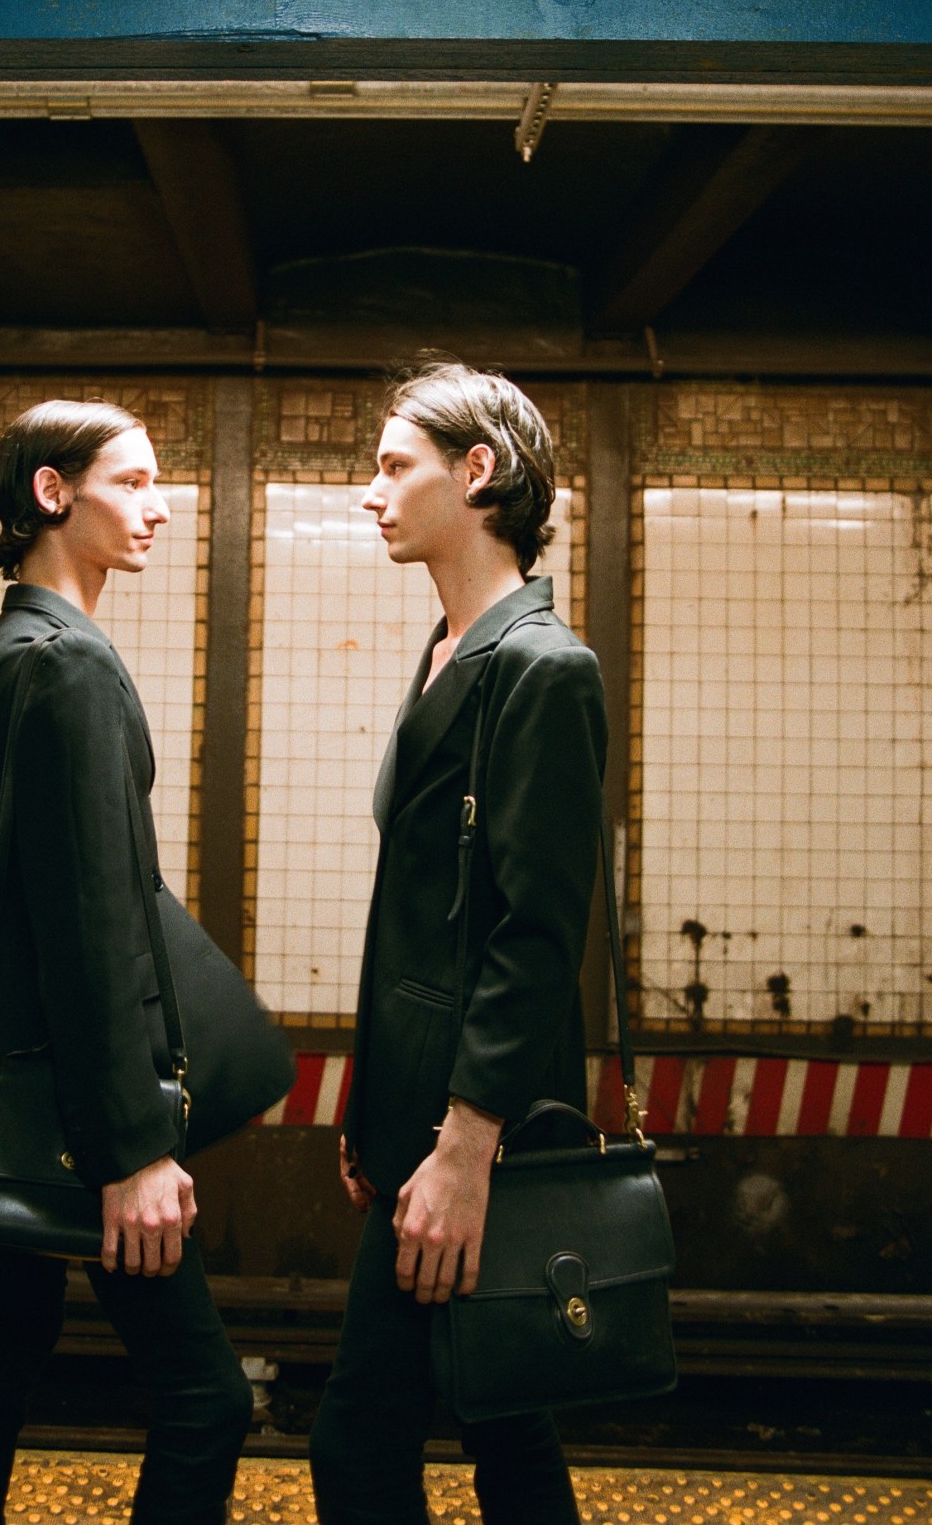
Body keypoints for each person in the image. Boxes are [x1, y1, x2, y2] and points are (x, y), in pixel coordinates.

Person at [0, 399, 252, 1525]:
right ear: (54, 494)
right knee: (209, 1401)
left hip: (25, 1083)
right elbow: (92, 922)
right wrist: (133, 1148)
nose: (160, 506)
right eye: (136, 480)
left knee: (5, 1351)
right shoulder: (68, 666)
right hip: (87, 1110)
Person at [309, 362, 608, 1525]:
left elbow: (536, 934)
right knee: (502, 1423)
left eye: (394, 465)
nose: (370, 492)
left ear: (476, 471)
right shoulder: (448, 650)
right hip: (420, 1123)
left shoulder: (542, 668)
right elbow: (418, 918)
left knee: (362, 1444)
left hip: (478, 1138)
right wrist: (370, 1106)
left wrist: (463, 1146)